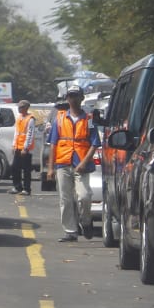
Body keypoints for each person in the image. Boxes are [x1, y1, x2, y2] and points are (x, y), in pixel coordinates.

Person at [46, 84, 101, 242]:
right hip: (63, 162)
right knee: (66, 198)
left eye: (76, 96)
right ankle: (70, 231)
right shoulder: (60, 118)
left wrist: (84, 162)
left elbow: (95, 143)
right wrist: (50, 168)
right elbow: (53, 144)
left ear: (82, 98)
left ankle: (85, 222)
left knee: (84, 196)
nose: (73, 99)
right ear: (67, 99)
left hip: (81, 164)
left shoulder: (88, 120)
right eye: (70, 96)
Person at [11, 99, 36, 195]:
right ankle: (17, 187)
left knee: (26, 169)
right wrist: (14, 145)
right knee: (15, 167)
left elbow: (30, 134)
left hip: (25, 148)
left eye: (21, 107)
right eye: (18, 107)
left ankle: (26, 188)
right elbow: (16, 132)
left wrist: (25, 148)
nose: (19, 108)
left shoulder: (30, 119)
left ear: (26, 108)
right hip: (18, 146)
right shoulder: (19, 118)